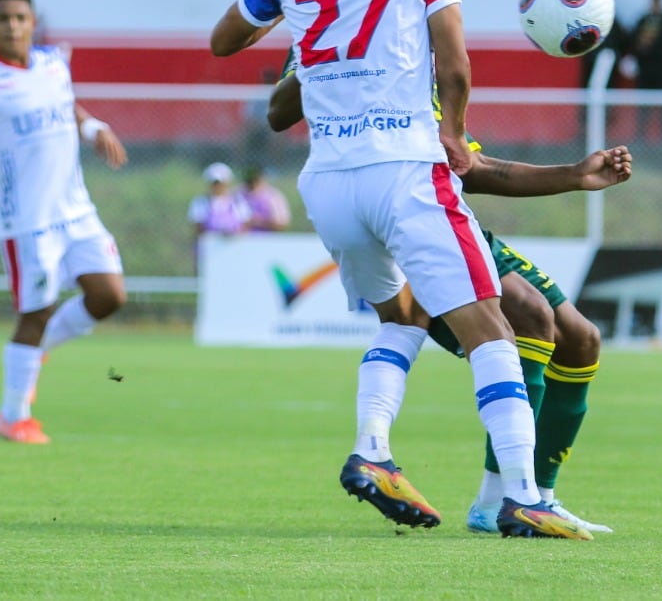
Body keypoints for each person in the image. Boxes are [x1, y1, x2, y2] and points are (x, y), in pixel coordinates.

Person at [209, 0, 587, 540]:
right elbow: (457, 62)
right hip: (405, 167)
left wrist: (320, 43)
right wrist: (456, 131)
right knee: (493, 330)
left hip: (328, 181)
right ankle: (525, 496)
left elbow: (223, 41)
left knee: (401, 318)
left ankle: (373, 451)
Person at [266, 63, 626, 536]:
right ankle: (510, 498)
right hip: (400, 207)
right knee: (521, 317)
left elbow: (469, 167)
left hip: (443, 211)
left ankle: (540, 496)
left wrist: (574, 175)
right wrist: (316, 57)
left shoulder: (415, 68)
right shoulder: (362, 46)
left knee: (581, 339)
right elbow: (276, 105)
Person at [0, 0, 129, 444]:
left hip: (76, 209)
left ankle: (38, 352)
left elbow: (70, 107)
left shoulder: (53, 63)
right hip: (26, 219)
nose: (12, 25)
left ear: (32, 22)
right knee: (37, 311)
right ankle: (12, 415)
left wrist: (96, 127)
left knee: (109, 295)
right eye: (3, 18)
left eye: (20, 17)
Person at [625, 0, 662, 139]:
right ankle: (641, 135)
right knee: (643, 105)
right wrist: (642, 47)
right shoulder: (642, 20)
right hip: (645, 70)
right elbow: (633, 42)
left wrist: (653, 46)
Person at [189, 161, 251, 239]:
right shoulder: (201, 202)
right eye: (215, 183)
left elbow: (245, 226)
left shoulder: (237, 201)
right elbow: (198, 228)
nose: (218, 186)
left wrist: (233, 235)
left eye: (221, 183)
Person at [239, 167, 292, 232]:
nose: (252, 184)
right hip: (241, 239)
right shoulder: (238, 193)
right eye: (249, 181)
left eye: (255, 180)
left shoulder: (274, 196)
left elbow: (283, 223)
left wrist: (256, 222)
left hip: (266, 240)